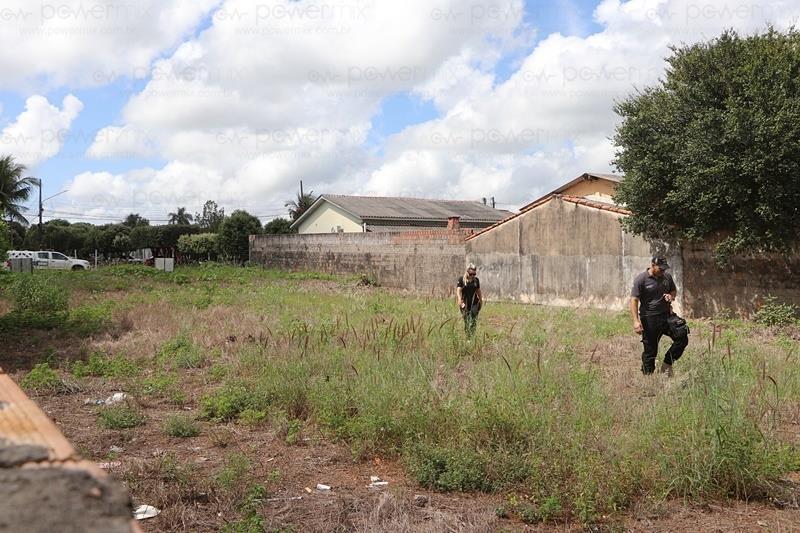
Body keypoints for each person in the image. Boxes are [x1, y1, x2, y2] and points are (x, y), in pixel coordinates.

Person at [630, 256, 688, 376]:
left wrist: (671, 296)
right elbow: (634, 300)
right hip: (649, 318)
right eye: (660, 268)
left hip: (667, 315)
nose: (663, 271)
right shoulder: (641, 280)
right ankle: (648, 377)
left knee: (682, 336)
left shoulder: (667, 277)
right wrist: (636, 321)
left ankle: (667, 364)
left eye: (664, 269)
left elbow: (673, 291)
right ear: (652, 265)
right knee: (651, 351)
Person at [456, 263, 482, 336]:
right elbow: (458, 291)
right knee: (466, 321)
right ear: (467, 272)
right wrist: (460, 300)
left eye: (474, 274)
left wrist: (481, 301)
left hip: (474, 303)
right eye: (471, 274)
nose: (472, 276)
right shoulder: (461, 280)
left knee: (473, 320)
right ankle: (468, 337)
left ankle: (472, 336)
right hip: (465, 303)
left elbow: (478, 291)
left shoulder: (476, 280)